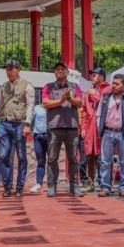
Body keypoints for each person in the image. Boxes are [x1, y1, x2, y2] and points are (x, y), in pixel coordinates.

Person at [0, 59, 34, 198]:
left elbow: (30, 106)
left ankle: (20, 187)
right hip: (4, 123)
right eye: (7, 69)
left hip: (19, 124)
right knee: (3, 156)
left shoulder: (27, 86)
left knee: (21, 156)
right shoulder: (3, 86)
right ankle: (7, 186)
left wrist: (28, 124)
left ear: (18, 69)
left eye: (11, 68)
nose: (9, 71)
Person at [42, 61, 84, 197]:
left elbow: (80, 102)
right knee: (52, 158)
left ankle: (74, 186)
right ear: (54, 72)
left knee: (73, 158)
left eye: (62, 69)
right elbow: (45, 103)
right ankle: (52, 186)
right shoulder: (48, 87)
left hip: (71, 126)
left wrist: (70, 99)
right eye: (57, 69)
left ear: (67, 72)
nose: (59, 71)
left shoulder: (74, 86)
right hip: (55, 127)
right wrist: (60, 101)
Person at [96, 73, 124, 198]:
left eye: (117, 84)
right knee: (105, 161)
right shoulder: (106, 97)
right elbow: (99, 114)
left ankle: (123, 187)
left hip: (123, 133)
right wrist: (99, 129)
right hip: (108, 132)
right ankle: (105, 187)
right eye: (113, 83)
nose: (113, 86)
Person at [82, 68, 109, 192]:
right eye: (92, 75)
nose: (92, 76)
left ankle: (104, 183)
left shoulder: (107, 89)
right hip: (89, 127)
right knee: (89, 156)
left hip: (102, 126)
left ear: (102, 77)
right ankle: (91, 182)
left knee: (102, 156)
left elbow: (104, 104)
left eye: (95, 75)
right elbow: (84, 111)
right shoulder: (89, 91)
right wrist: (83, 127)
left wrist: (94, 94)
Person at [29, 99, 49, 194]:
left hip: (50, 136)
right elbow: (31, 120)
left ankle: (52, 184)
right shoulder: (37, 108)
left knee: (52, 161)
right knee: (40, 161)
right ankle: (38, 184)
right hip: (38, 136)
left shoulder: (53, 107)